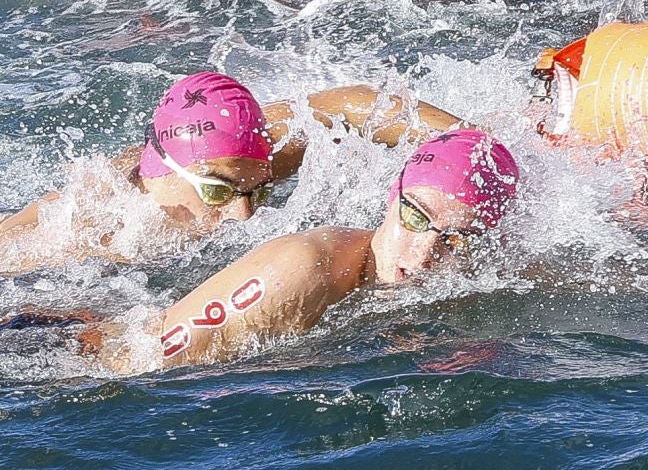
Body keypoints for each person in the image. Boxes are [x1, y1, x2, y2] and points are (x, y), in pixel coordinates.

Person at [64, 129, 521, 372]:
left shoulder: (451, 277)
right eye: (416, 218)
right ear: (391, 195)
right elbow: (137, 365)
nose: (423, 256)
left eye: (457, 239)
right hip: (68, 346)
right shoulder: (304, 273)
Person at [0, 73, 464, 274]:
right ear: (164, 168)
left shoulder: (242, 161)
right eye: (218, 193)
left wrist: (470, 142)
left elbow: (348, 105)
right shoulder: (78, 229)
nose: (244, 217)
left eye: (258, 193)